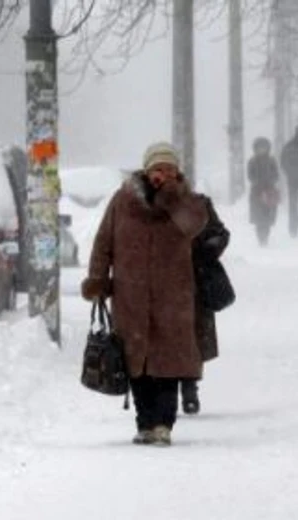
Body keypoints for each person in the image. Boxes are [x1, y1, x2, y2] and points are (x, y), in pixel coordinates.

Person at [81, 141, 208, 447]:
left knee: (169, 362)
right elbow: (104, 242)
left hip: (172, 296)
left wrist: (172, 196)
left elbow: (195, 226)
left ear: (177, 172)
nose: (162, 174)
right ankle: (145, 423)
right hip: (131, 295)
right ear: (146, 170)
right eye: (157, 168)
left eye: (169, 169)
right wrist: (98, 279)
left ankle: (164, 423)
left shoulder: (186, 201)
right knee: (136, 362)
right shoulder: (123, 200)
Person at [182, 196, 230, 415]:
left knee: (192, 337)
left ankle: (189, 388)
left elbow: (220, 234)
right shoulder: (146, 204)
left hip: (194, 282)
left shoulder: (196, 203)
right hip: (158, 283)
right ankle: (168, 391)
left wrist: (202, 250)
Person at [247, 137, 281, 246]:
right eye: (260, 147)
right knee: (258, 216)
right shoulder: (252, 161)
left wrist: (270, 182)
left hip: (270, 191)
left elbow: (276, 174)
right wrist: (257, 182)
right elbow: (250, 175)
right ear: (255, 148)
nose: (262, 149)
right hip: (256, 192)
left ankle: (265, 236)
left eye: (264, 147)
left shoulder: (271, 160)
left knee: (268, 216)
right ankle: (260, 238)